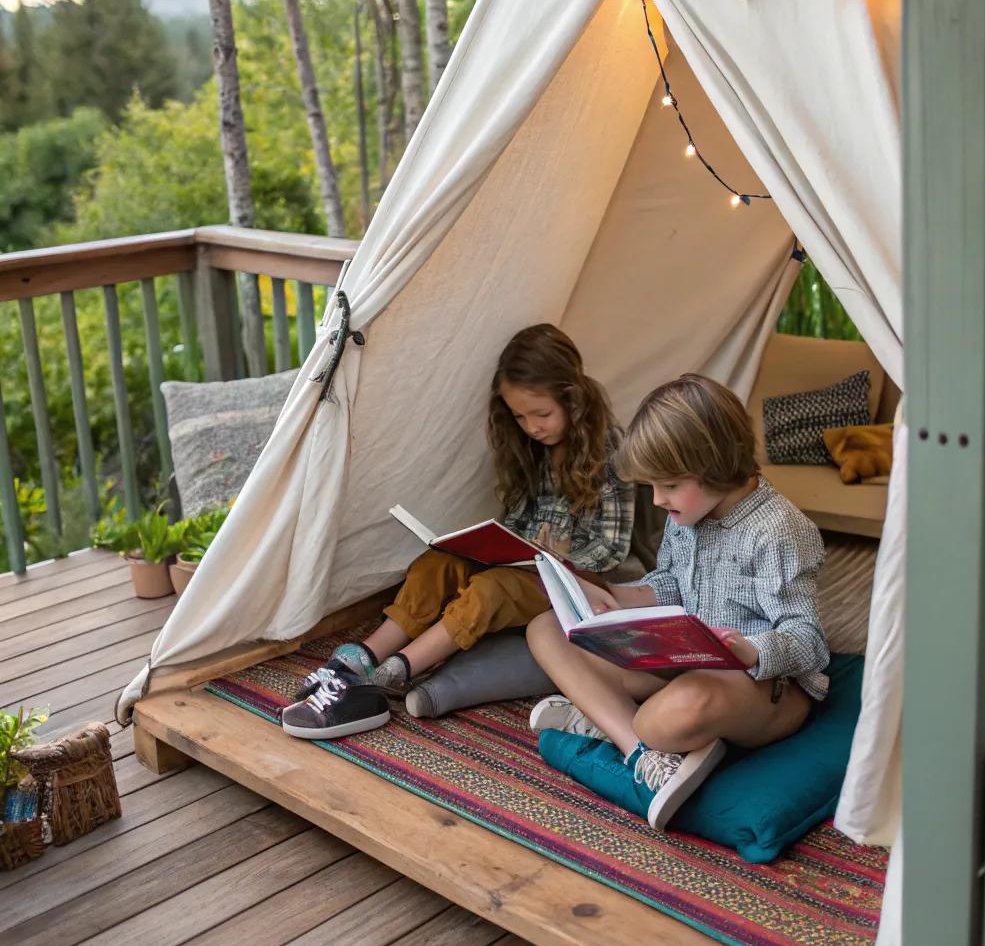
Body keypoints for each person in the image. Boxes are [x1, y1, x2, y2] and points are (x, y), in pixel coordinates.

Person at [281, 324, 635, 739]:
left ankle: (388, 676)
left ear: (572, 399)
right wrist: (506, 544)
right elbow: (518, 521)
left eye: (541, 414)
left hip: (573, 583)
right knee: (438, 563)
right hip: (526, 567)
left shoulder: (608, 445)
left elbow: (613, 548)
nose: (531, 427)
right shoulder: (533, 450)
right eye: (520, 417)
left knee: (492, 589)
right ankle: (358, 659)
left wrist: (560, 555)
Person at [526, 373, 829, 831]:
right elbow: (668, 583)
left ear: (713, 466)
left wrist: (750, 650)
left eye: (667, 485)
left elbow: (809, 641)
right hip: (685, 658)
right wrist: (607, 597)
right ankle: (641, 751)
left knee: (680, 707)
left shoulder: (779, 530)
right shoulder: (686, 513)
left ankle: (611, 721)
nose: (657, 499)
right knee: (545, 628)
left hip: (764, 689)